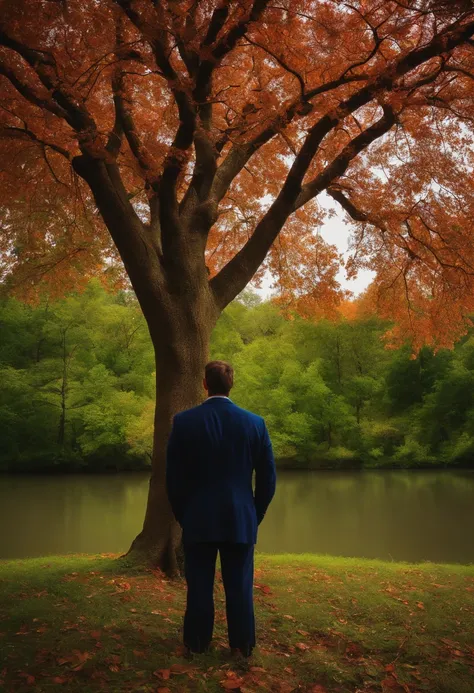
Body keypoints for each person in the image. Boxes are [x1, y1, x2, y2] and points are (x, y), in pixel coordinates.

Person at [166, 360, 276, 658]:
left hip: (198, 518)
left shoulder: (184, 422)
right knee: (240, 587)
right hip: (240, 518)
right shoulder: (255, 423)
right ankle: (242, 646)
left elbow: (173, 479)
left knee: (199, 586)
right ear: (232, 384)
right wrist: (255, 514)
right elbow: (268, 478)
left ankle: (197, 644)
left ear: (205, 384)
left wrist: (184, 515)